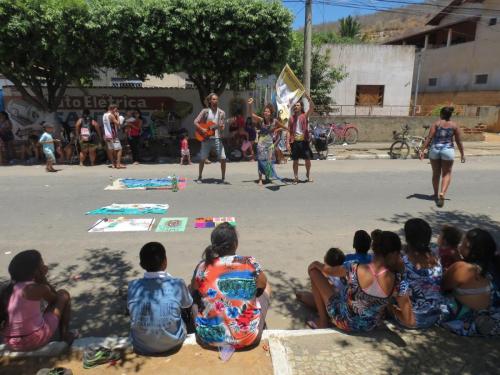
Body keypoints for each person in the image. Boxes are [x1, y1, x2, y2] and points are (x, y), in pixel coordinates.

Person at [297, 231, 412, 330]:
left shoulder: (355, 268)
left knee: (313, 271)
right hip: (369, 325)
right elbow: (409, 321)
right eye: (399, 254)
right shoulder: (398, 281)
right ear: (393, 254)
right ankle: (317, 309)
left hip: (344, 321)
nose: (400, 257)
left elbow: (329, 271)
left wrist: (316, 264)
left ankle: (323, 322)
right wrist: (391, 308)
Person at [191, 223, 271, 349]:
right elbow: (262, 284)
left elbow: (195, 287)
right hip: (248, 339)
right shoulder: (249, 262)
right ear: (235, 244)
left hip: (209, 339)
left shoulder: (203, 266)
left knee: (194, 292)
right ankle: (254, 320)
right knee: (265, 286)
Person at [0, 250, 73, 351]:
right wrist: (43, 279)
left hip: (10, 342)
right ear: (36, 271)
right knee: (63, 294)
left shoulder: (6, 289)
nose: (45, 265)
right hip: (33, 341)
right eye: (42, 264)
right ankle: (65, 337)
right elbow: (54, 300)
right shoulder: (39, 288)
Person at [127, 242, 193, 355]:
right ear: (165, 261)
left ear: (141, 264)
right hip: (173, 343)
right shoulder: (177, 283)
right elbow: (187, 305)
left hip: (141, 345)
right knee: (184, 303)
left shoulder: (133, 286)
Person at [441, 229, 500, 336]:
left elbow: (442, 286)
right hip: (492, 310)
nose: (459, 246)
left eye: (463, 244)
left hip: (467, 317)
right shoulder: (494, 262)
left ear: (472, 251)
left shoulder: (462, 268)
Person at [391, 219, 444, 329]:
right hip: (435, 314)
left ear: (407, 238)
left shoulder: (402, 262)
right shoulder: (435, 254)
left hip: (415, 319)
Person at [419, 106, 465, 208]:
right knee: (446, 173)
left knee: (436, 173)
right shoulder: (454, 126)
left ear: (441, 114)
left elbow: (429, 138)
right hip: (447, 151)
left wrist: (422, 150)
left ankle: (435, 193)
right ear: (450, 115)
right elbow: (458, 141)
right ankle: (442, 194)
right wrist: (462, 154)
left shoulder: (436, 124)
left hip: (435, 150)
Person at [247, 98, 287, 185]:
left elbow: (284, 127)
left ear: (271, 113)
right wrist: (250, 105)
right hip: (261, 144)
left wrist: (290, 130)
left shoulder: (275, 121)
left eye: (268, 111)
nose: (266, 113)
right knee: (261, 161)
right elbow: (251, 114)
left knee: (269, 161)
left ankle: (267, 177)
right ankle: (260, 179)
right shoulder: (261, 120)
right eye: (265, 111)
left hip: (270, 145)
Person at [194, 93, 227, 183]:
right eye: (213, 99)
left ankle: (223, 178)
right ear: (210, 101)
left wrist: (222, 127)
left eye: (216, 99)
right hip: (206, 138)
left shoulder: (222, 113)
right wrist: (202, 129)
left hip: (217, 138)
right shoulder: (205, 111)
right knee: (202, 158)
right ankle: (200, 177)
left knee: (223, 158)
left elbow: (222, 126)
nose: (215, 101)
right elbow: (196, 122)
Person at [288, 93, 314, 184]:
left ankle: (308, 174)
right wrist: (287, 143)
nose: (296, 106)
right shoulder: (291, 118)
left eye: (298, 105)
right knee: (295, 160)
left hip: (304, 141)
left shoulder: (304, 116)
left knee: (308, 160)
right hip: (295, 141)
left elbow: (312, 107)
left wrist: (308, 98)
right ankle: (296, 177)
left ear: (301, 107)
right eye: (295, 105)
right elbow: (288, 131)